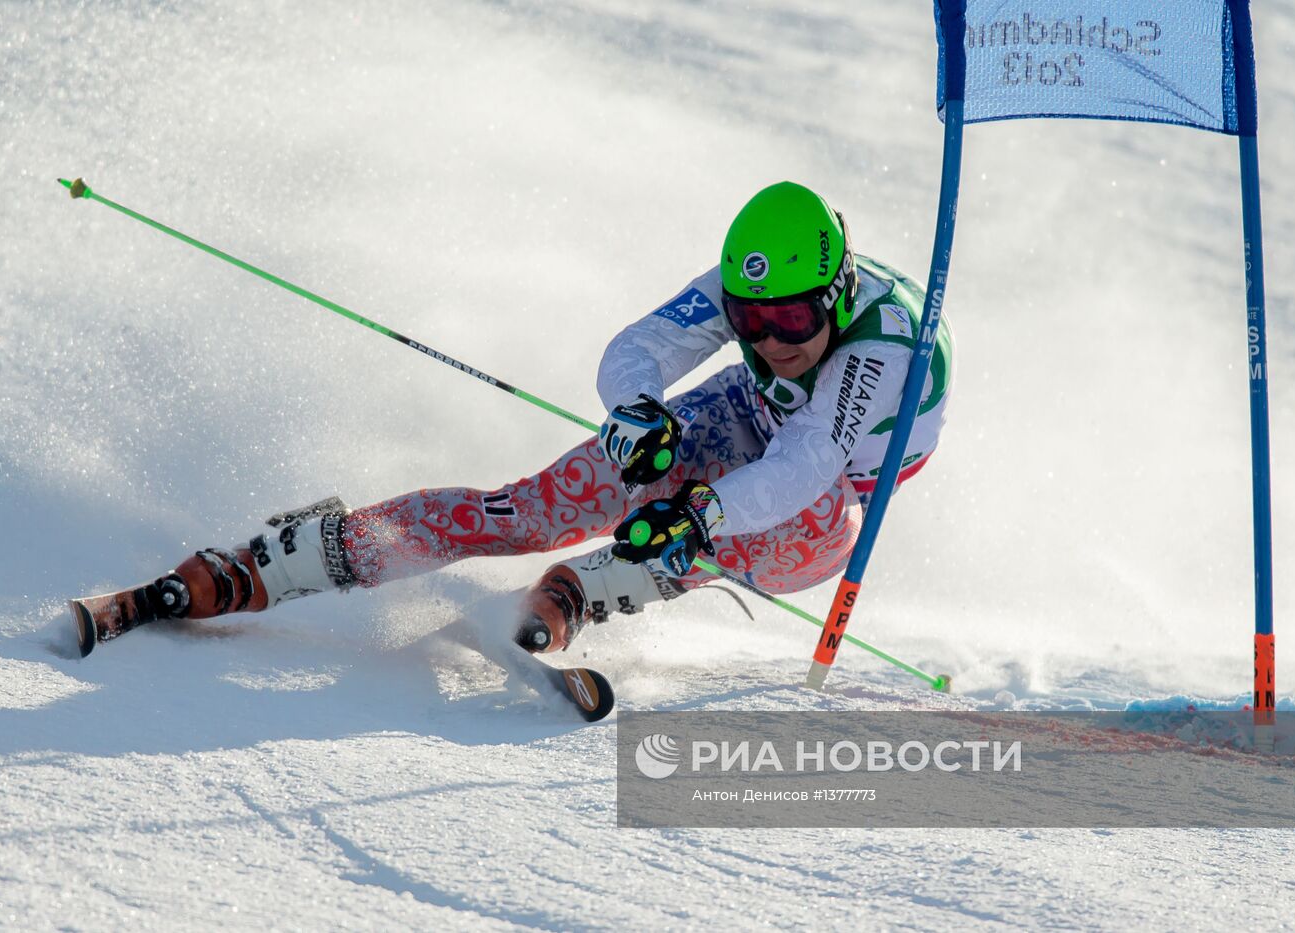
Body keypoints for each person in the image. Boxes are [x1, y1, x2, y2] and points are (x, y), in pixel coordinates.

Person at [70, 181, 954, 658]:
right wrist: (637, 414)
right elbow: (637, 347)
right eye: (751, 322)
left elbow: (802, 468)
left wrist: (699, 513)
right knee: (533, 507)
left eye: (793, 322)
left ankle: (594, 587)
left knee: (753, 532)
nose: (772, 338)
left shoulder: (883, 353)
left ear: (835, 293)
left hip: (826, 497)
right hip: (746, 425)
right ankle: (288, 557)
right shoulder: (756, 287)